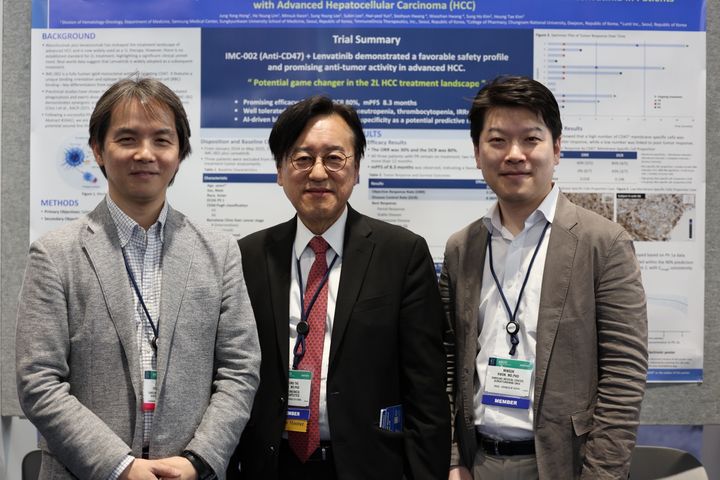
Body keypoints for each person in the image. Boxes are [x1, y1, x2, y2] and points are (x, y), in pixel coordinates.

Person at [16, 77, 261, 480]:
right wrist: (120, 467)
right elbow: (38, 381)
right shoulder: (55, 255)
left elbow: (240, 369)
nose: (145, 153)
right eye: (127, 139)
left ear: (180, 153)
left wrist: (197, 460)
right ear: (98, 149)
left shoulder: (219, 252)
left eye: (161, 140)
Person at [228, 95, 450, 479]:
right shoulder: (248, 256)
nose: (318, 173)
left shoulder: (402, 255)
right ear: (280, 171)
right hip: (271, 465)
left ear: (356, 168)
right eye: (302, 159)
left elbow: (426, 390)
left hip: (368, 467)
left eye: (334, 158)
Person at [442, 76, 648, 480]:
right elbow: (447, 362)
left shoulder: (603, 243)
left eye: (531, 139)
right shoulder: (461, 248)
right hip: (477, 463)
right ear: (477, 153)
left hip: (565, 465)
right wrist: (452, 459)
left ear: (556, 148)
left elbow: (623, 376)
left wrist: (601, 475)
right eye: (498, 140)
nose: (514, 155)